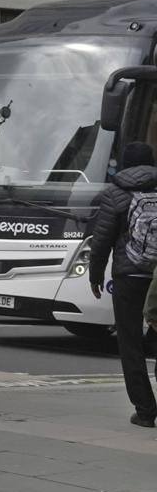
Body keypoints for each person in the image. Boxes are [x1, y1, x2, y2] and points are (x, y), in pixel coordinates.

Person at [85, 140, 157, 427]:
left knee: (130, 344)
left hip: (129, 276)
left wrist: (95, 274)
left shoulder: (114, 193)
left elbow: (101, 240)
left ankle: (145, 410)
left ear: (124, 163)